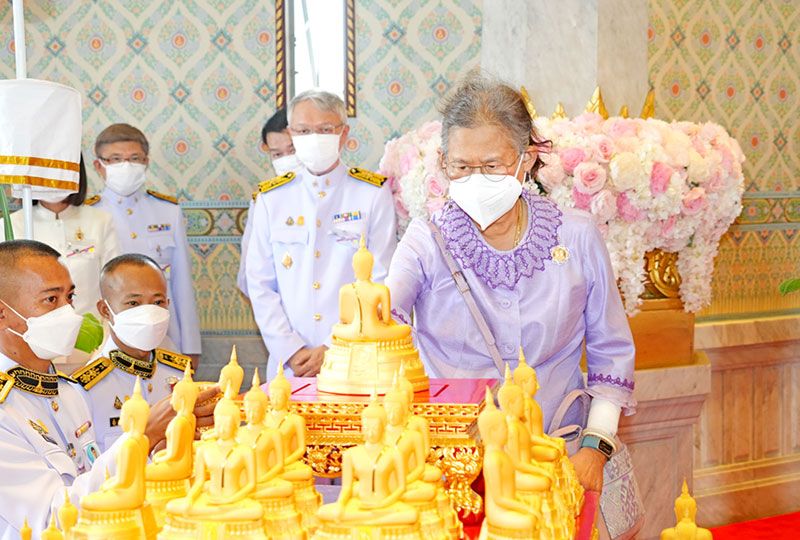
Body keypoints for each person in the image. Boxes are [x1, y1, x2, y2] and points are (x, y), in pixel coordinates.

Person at [385, 73, 636, 492]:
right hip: (454, 465)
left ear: (526, 159)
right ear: (444, 162)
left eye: (492, 166)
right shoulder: (426, 242)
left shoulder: (575, 236)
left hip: (559, 455)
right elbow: (384, 318)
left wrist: (596, 446)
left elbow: (611, 350)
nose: (476, 179)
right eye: (462, 167)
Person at [0, 240, 194, 539]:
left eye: (70, 296)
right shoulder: (6, 409)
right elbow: (53, 518)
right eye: (51, 299)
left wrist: (166, 440)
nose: (69, 312)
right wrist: (140, 439)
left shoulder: (65, 392)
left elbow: (96, 481)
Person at [246, 90, 397, 379]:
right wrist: (291, 349)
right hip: (289, 365)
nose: (314, 137)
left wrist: (333, 346)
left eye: (325, 130)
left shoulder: (372, 193)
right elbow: (260, 283)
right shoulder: (271, 197)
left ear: (343, 134)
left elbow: (380, 279)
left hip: (353, 357)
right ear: (291, 133)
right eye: (303, 130)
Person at [72, 254, 214, 452]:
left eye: (157, 302)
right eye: (133, 303)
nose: (148, 313)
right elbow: (88, 470)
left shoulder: (180, 372)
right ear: (105, 310)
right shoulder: (85, 389)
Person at [88, 124, 201, 365]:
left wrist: (191, 346)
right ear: (99, 166)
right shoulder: (88, 215)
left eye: (134, 158)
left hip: (164, 337)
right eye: (116, 159)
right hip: (110, 335)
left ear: (146, 162)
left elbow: (182, 286)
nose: (126, 165)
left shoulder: (168, 211)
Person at [1, 157, 120, 318]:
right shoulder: (12, 225)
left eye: (59, 170)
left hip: (92, 329)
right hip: (33, 332)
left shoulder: (100, 221)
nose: (53, 180)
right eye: (45, 170)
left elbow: (114, 285)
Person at [237, 108, 300, 297]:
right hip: (277, 311)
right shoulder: (263, 201)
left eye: (292, 150)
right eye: (277, 154)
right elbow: (248, 274)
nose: (286, 160)